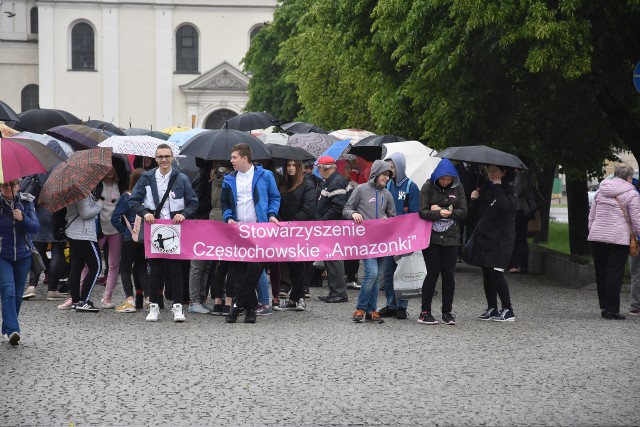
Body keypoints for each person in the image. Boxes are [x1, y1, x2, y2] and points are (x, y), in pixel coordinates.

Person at [129, 144, 198, 322]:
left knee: (176, 270)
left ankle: (177, 307)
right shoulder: (146, 177)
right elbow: (134, 201)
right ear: (155, 158)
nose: (164, 159)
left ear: (172, 157)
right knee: (155, 270)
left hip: (175, 228)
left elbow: (193, 202)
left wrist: (184, 214)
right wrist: (145, 213)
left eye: (167, 156)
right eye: (160, 156)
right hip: (155, 227)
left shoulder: (181, 178)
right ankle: (154, 307)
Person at [221, 143, 280, 324]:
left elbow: (275, 197)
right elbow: (225, 203)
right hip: (238, 230)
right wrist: (229, 217)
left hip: (260, 230)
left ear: (244, 158)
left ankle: (237, 306)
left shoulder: (265, 175)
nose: (231, 161)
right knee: (240, 271)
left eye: (234, 158)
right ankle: (251, 310)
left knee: (255, 268)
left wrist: (271, 215)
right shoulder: (229, 179)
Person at [343, 160, 396, 323]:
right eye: (384, 174)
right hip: (365, 240)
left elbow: (394, 217)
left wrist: (389, 220)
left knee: (378, 276)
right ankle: (360, 308)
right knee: (371, 273)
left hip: (382, 242)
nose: (387, 178)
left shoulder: (387, 194)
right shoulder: (360, 189)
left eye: (389, 175)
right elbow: (346, 209)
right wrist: (353, 214)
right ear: (376, 173)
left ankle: (371, 310)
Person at [416, 159, 467, 325]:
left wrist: (446, 213)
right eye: (443, 179)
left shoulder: (458, 188)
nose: (446, 182)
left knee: (448, 274)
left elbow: (463, 212)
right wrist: (437, 214)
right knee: (433, 272)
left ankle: (447, 312)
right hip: (432, 237)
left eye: (449, 179)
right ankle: (425, 311)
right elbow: (422, 212)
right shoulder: (427, 187)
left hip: (452, 237)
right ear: (437, 177)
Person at [588, 164, 640, 320]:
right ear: (629, 178)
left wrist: (592, 230)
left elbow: (592, 215)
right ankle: (612, 309)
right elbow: (636, 219)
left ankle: (604, 307)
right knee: (614, 273)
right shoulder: (631, 194)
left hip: (598, 237)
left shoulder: (600, 191)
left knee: (601, 272)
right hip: (618, 238)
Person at [467, 164, 517, 322]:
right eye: (489, 170)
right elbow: (475, 216)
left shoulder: (509, 190)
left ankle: (508, 309)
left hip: (501, 239)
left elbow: (505, 208)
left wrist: (498, 187)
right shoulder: (485, 189)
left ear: (503, 172)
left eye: (495, 170)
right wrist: (474, 200)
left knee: (496, 273)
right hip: (485, 238)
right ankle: (492, 308)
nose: (491, 173)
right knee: (487, 273)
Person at [377, 152, 420, 319]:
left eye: (393, 167)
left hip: (404, 236)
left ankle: (402, 306)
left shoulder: (411, 186)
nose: (390, 171)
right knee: (387, 272)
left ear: (400, 167)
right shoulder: (386, 186)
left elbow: (415, 214)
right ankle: (391, 304)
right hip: (388, 236)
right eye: (388, 168)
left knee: (402, 271)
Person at [0, 178, 39, 346]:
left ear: (18, 186)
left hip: (23, 255)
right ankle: (14, 330)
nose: (9, 188)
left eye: (12, 185)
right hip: (2, 255)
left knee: (17, 296)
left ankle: (6, 328)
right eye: (4, 185)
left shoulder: (26, 201)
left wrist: (22, 217)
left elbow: (35, 227)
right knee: (8, 291)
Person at [87, 157, 129, 308]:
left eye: (114, 167)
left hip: (116, 229)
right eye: (108, 167)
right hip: (98, 228)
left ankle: (107, 297)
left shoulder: (123, 186)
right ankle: (80, 295)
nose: (111, 170)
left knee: (113, 264)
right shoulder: (95, 186)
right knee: (89, 263)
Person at [276, 159, 317, 311]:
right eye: (288, 165)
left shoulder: (307, 183)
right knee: (286, 264)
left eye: (294, 165)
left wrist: (291, 223)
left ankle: (299, 297)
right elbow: (278, 203)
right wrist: (280, 221)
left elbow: (309, 208)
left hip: (300, 230)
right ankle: (293, 298)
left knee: (299, 264)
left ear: (299, 167)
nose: (291, 168)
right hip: (284, 228)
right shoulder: (283, 183)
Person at [57, 192, 103, 312]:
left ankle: (76, 300)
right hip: (84, 234)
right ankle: (84, 300)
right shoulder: (82, 194)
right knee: (96, 267)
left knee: (76, 267)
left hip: (74, 233)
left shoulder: (72, 192)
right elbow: (85, 213)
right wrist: (100, 203)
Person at [111, 168, 148, 312]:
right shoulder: (148, 198)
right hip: (145, 238)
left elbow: (115, 218)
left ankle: (130, 301)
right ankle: (149, 298)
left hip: (129, 237)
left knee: (125, 268)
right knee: (142, 267)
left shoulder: (127, 197)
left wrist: (125, 230)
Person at [315, 156, 349, 303]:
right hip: (331, 226)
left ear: (324, 169)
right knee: (330, 259)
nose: (318, 171)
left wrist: (323, 221)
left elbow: (338, 206)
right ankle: (335, 291)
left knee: (334, 259)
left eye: (319, 168)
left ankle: (339, 293)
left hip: (333, 226)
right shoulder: (332, 181)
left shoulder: (336, 182)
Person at [336, 159, 361, 289]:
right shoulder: (334, 184)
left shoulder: (355, 186)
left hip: (351, 223)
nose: (349, 170)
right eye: (346, 167)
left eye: (350, 168)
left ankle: (352, 276)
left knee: (353, 250)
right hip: (338, 223)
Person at [509, 169, 537, 274]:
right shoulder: (521, 175)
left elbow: (517, 192)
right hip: (519, 210)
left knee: (519, 238)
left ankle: (520, 265)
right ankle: (519, 265)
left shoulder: (522, 176)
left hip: (520, 211)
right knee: (519, 238)